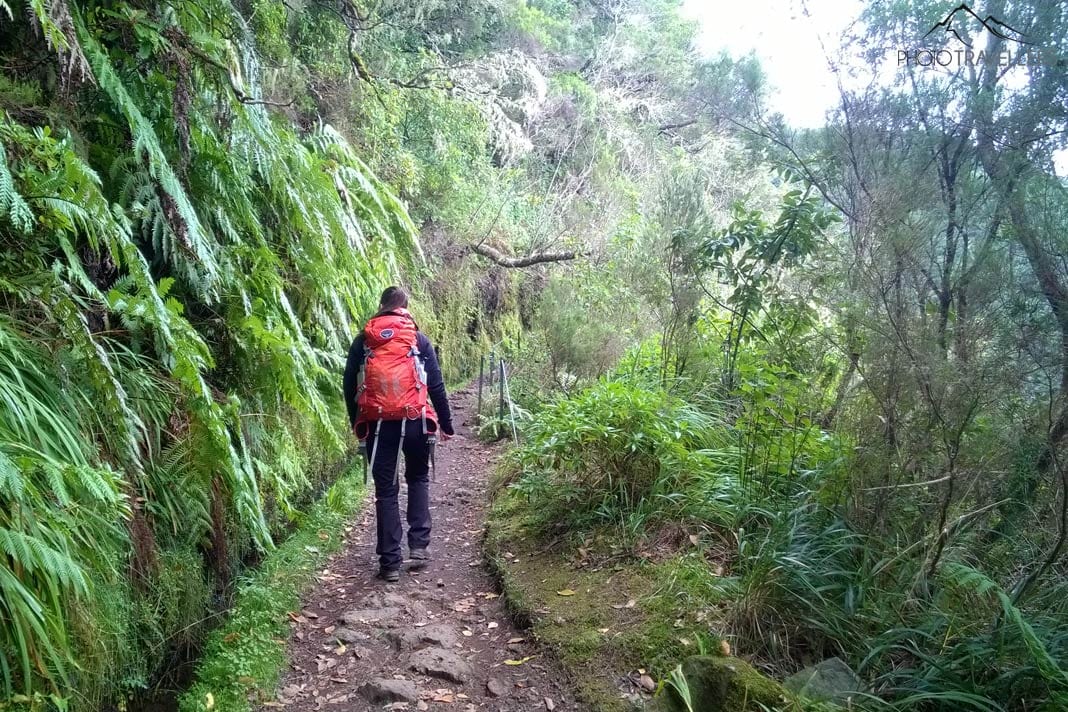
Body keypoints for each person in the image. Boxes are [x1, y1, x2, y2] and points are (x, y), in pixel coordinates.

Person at [343, 286, 453, 582]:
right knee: (417, 478)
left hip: (379, 425)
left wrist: (359, 425)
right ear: (405, 308)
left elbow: (349, 386)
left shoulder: (364, 341)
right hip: (415, 420)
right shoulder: (417, 340)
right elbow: (436, 386)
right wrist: (447, 423)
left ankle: (390, 563)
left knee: (386, 491)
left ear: (381, 306)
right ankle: (418, 548)